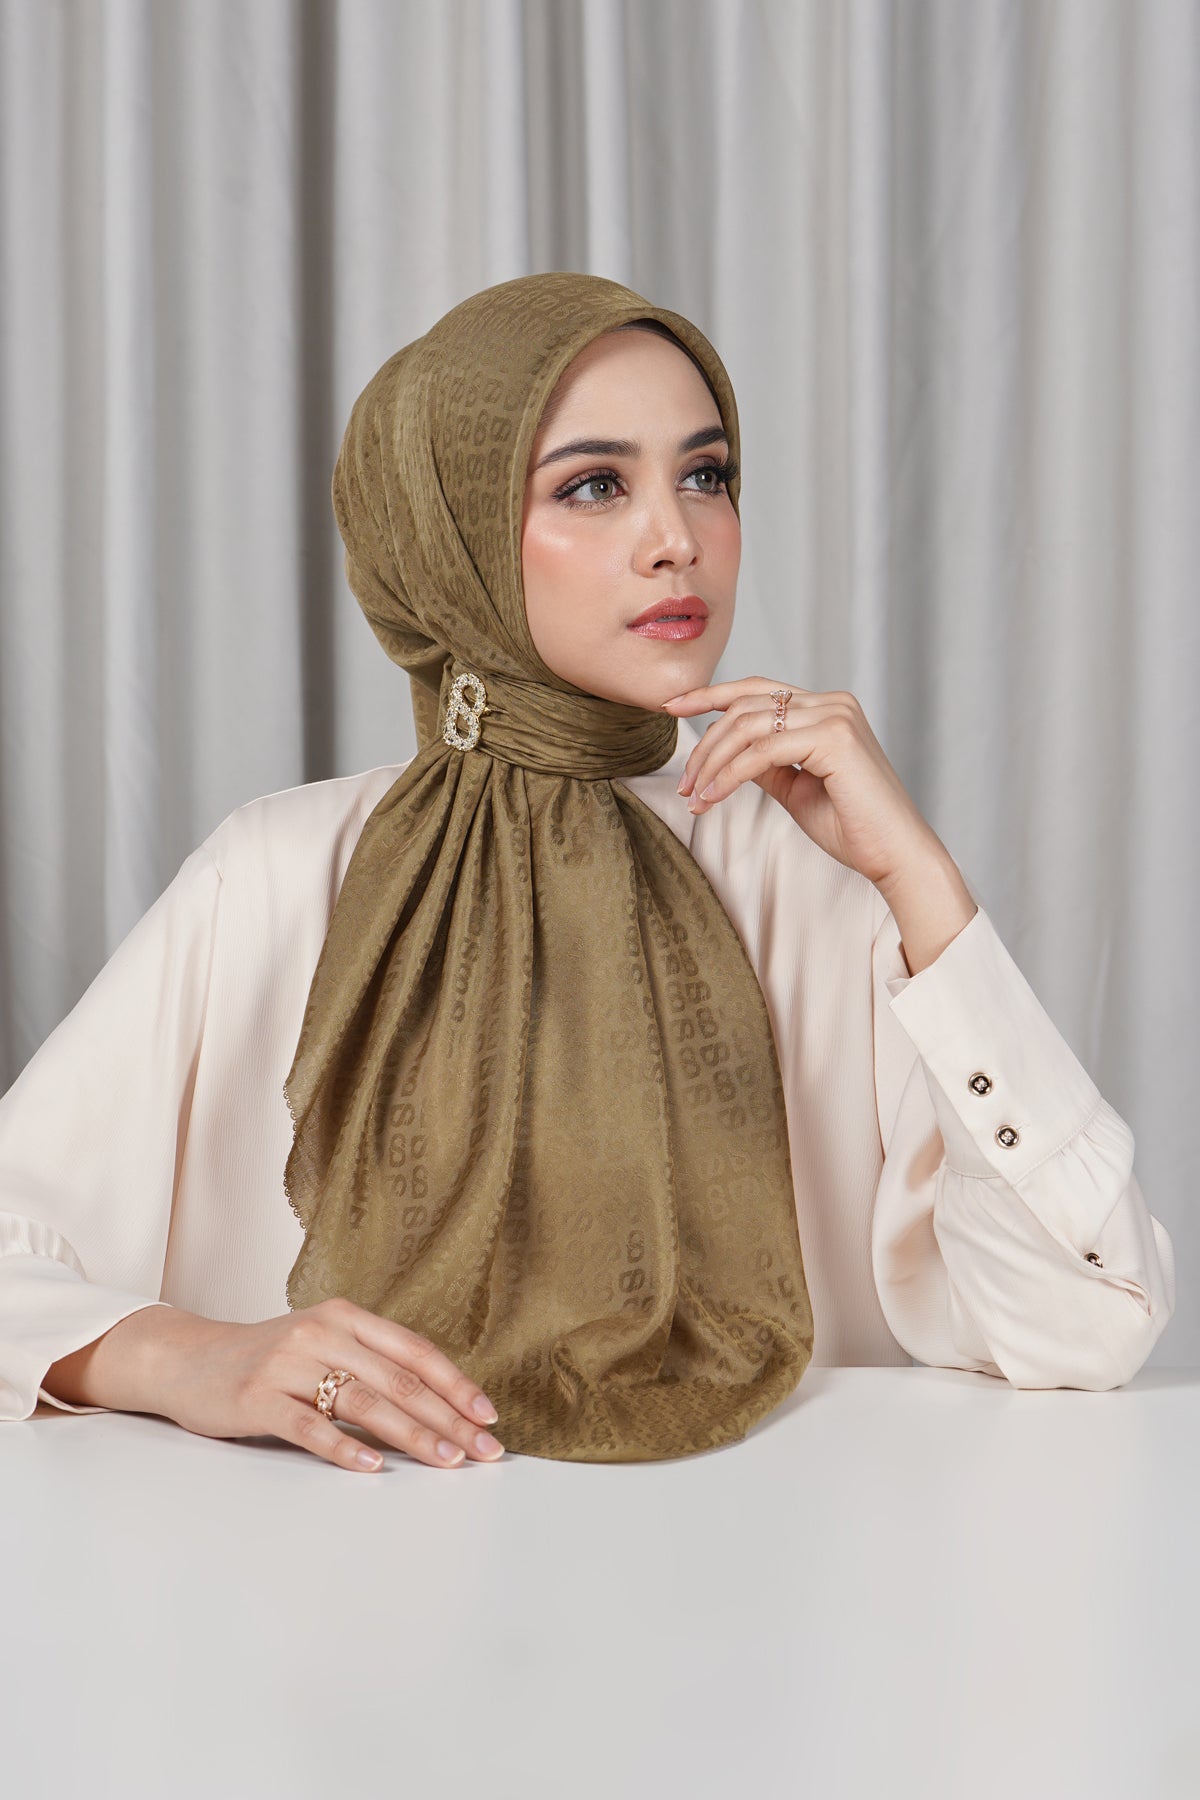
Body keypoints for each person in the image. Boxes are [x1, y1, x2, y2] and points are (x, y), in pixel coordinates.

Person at [0, 272, 1175, 1474]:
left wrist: (922, 881)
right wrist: (183, 1357)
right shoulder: (281, 873)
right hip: (342, 1554)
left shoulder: (812, 878)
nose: (678, 541)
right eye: (594, 486)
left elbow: (1089, 1322)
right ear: (451, 532)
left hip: (779, 1546)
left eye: (706, 475)